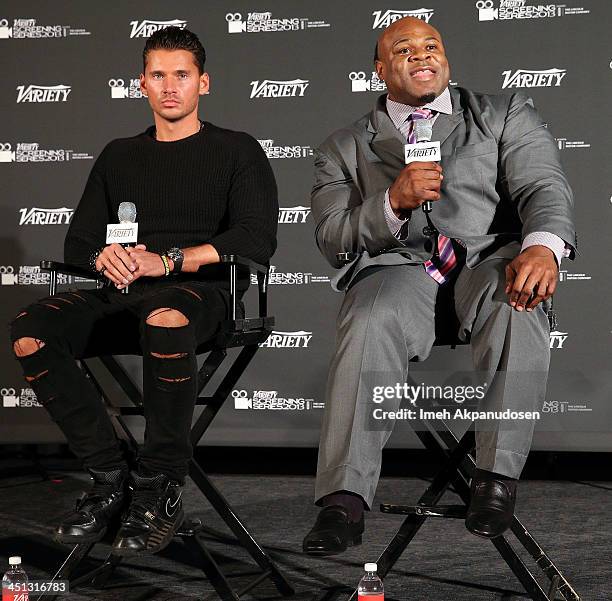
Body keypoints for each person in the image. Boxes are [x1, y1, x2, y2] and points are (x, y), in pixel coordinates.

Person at [303, 16, 575, 556]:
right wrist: (391, 204)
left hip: (488, 263)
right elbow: (333, 238)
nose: (422, 55)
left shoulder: (502, 114)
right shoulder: (343, 146)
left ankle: (494, 480)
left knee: (517, 303)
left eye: (432, 45)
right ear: (379, 70)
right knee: (369, 317)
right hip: (402, 270)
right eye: (404, 49)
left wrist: (542, 246)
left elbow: (543, 186)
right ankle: (344, 499)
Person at [9, 26, 278, 556]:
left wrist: (171, 259)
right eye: (158, 75)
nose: (170, 86)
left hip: (201, 294)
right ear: (142, 84)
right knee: (30, 330)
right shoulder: (118, 155)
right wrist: (98, 258)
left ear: (204, 83)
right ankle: (110, 479)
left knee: (165, 317)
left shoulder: (237, 150)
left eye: (181, 75)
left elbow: (254, 237)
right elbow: (82, 237)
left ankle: (159, 485)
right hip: (124, 291)